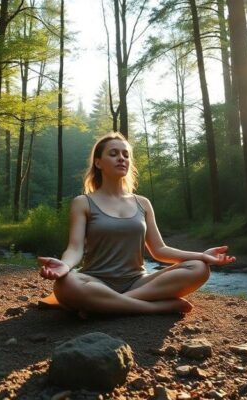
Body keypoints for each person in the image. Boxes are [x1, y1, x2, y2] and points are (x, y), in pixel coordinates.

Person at [37, 132, 235, 315]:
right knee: (66, 284)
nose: (121, 158)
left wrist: (202, 255)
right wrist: (65, 265)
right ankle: (156, 308)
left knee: (199, 268)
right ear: (98, 163)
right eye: (113, 154)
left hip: (139, 283)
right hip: (95, 281)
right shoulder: (83, 202)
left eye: (125, 154)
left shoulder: (143, 203)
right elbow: (75, 248)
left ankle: (106, 305)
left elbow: (159, 250)